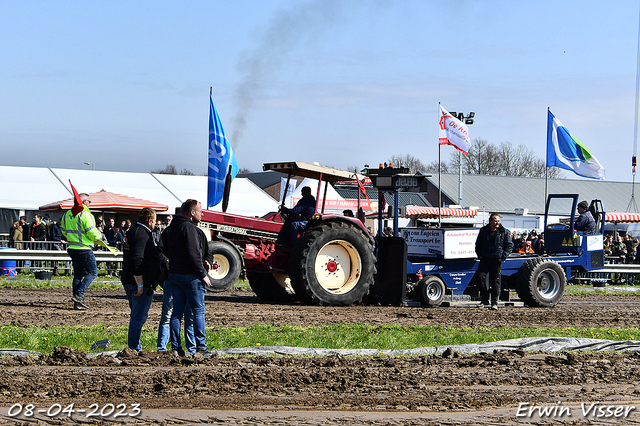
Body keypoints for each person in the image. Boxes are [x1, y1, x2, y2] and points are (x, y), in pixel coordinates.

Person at [159, 199, 211, 357]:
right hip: (190, 277)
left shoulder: (172, 228)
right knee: (198, 311)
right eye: (200, 211)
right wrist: (203, 274)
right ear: (192, 212)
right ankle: (200, 347)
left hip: (175, 275)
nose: (202, 214)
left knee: (176, 313)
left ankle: (176, 347)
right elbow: (193, 253)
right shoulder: (189, 228)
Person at [121, 208, 165, 352]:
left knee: (138, 314)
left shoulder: (133, 231)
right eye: (154, 220)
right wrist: (140, 283)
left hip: (129, 279)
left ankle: (135, 345)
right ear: (149, 221)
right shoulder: (142, 235)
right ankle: (134, 348)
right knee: (139, 316)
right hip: (140, 282)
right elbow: (137, 259)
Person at [61, 192, 101, 310]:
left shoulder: (67, 214)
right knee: (93, 272)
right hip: (84, 249)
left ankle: (77, 302)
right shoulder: (86, 214)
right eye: (89, 201)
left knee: (78, 275)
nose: (90, 204)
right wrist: (99, 236)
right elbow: (92, 233)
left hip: (72, 248)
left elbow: (64, 231)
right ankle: (79, 295)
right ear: (83, 202)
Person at [475, 213, 514, 310]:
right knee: (480, 277)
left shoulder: (503, 232)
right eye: (495, 221)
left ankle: (494, 302)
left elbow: (509, 245)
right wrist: (479, 254)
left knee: (495, 281)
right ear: (490, 221)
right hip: (485, 258)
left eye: (498, 221)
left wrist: (503, 256)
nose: (497, 223)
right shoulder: (483, 230)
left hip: (497, 259)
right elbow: (478, 244)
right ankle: (484, 299)